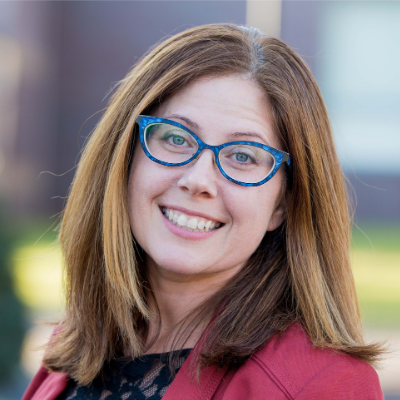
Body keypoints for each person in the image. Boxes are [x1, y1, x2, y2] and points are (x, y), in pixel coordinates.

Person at [22, 24, 384, 400]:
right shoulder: (76, 342)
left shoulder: (321, 385)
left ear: (282, 204)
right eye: (176, 138)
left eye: (243, 155)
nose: (198, 181)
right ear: (125, 158)